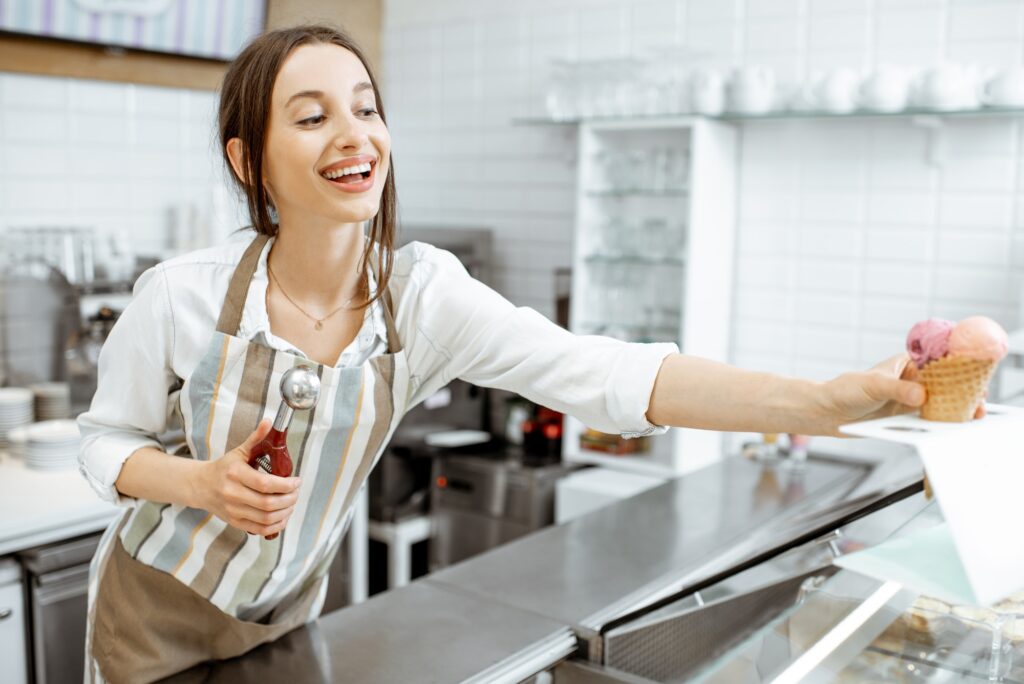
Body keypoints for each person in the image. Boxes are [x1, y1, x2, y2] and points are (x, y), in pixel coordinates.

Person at [77, 24, 929, 682]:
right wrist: (197, 482)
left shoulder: (424, 297)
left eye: (367, 108)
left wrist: (825, 402)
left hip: (288, 615)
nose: (355, 135)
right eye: (311, 116)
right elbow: (102, 441)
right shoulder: (182, 294)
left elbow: (610, 374)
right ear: (248, 160)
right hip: (149, 610)